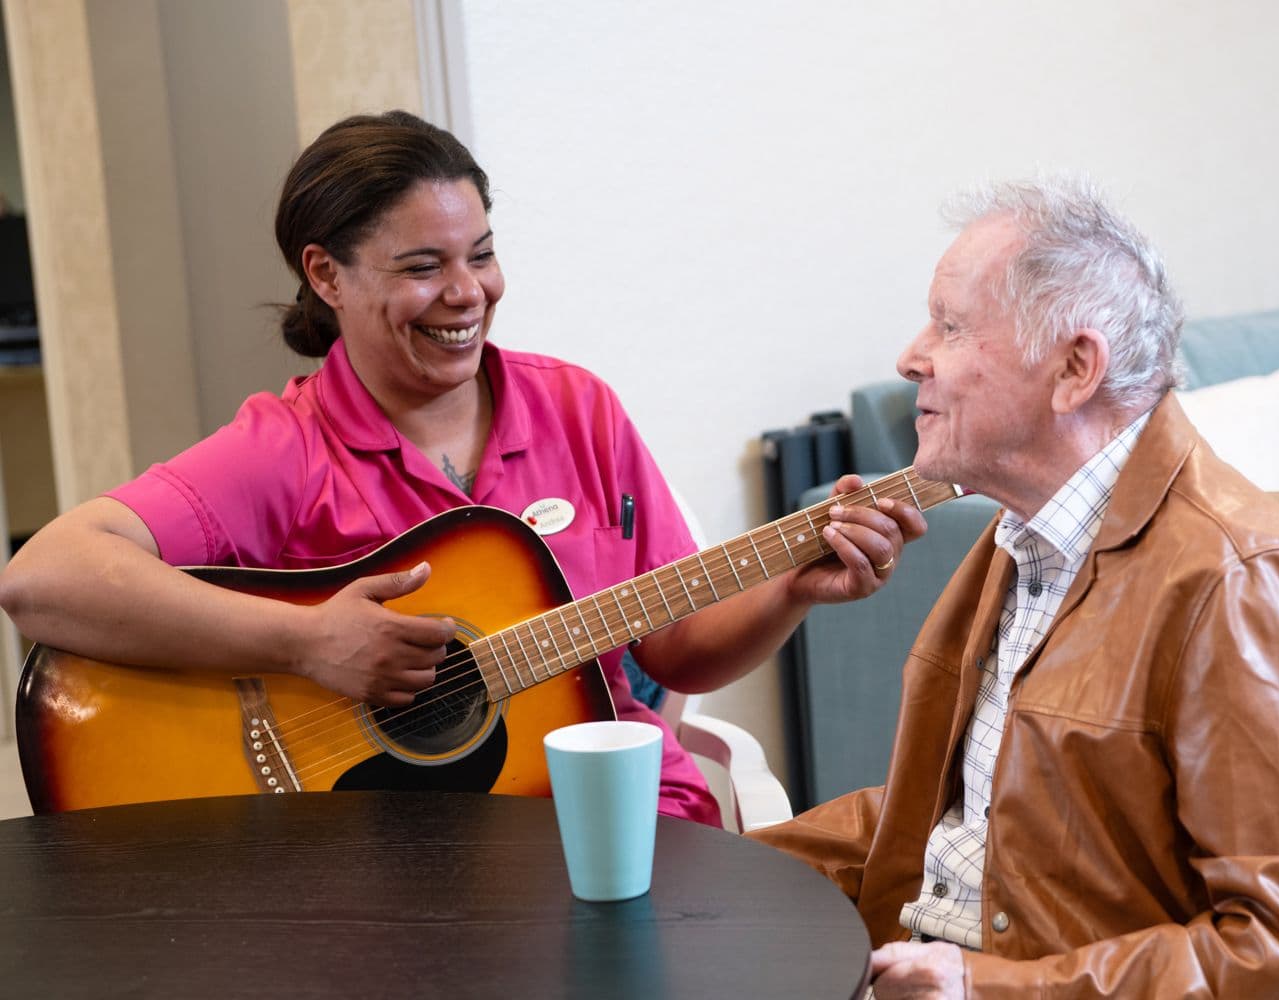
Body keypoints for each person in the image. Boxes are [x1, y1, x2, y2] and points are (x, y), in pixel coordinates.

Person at [0, 110, 925, 826]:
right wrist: (307, 642)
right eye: (421, 266)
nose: (466, 293)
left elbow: (673, 646)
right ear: (327, 276)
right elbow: (44, 580)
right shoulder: (286, 446)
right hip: (406, 870)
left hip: (617, 824)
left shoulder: (577, 408)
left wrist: (791, 589)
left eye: (481, 255)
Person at [748, 178, 1279, 996]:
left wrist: (981, 988)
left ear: (1074, 369)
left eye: (951, 326)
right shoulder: (1023, 535)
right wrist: (722, 872)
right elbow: (967, 818)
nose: (911, 356)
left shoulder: (1242, 585)